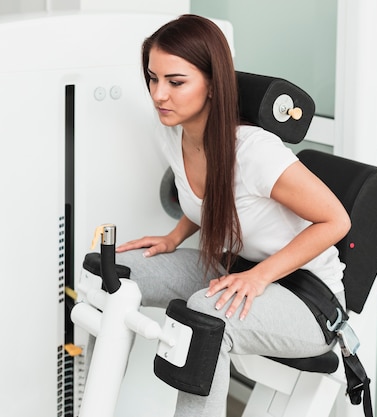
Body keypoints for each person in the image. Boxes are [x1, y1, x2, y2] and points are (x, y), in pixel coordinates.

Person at [115, 14, 351, 417]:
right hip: (234, 271)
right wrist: (174, 236)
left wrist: (260, 276)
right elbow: (211, 200)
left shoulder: (256, 151)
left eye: (176, 82)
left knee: (204, 319)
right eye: (153, 78)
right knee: (117, 270)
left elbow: (336, 221)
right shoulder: (172, 132)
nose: (159, 95)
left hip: (305, 297)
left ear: (212, 84)